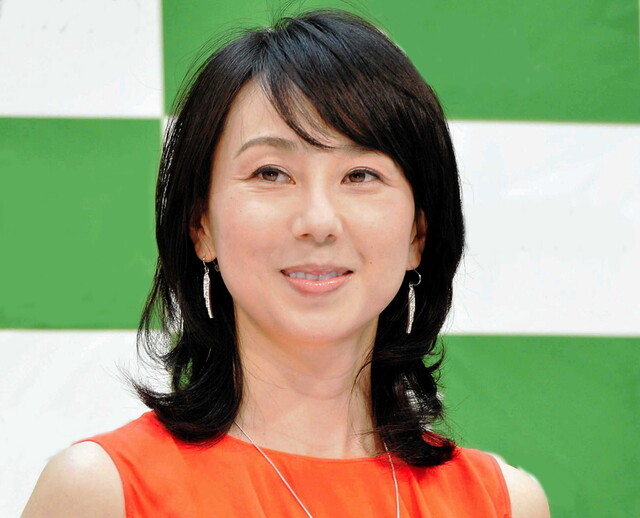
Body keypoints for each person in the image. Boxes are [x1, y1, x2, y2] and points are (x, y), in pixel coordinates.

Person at [22, 9, 549, 518]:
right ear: (201, 225)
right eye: (271, 173)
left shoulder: (503, 504)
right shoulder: (102, 492)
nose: (318, 221)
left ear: (418, 234)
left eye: (360, 175)